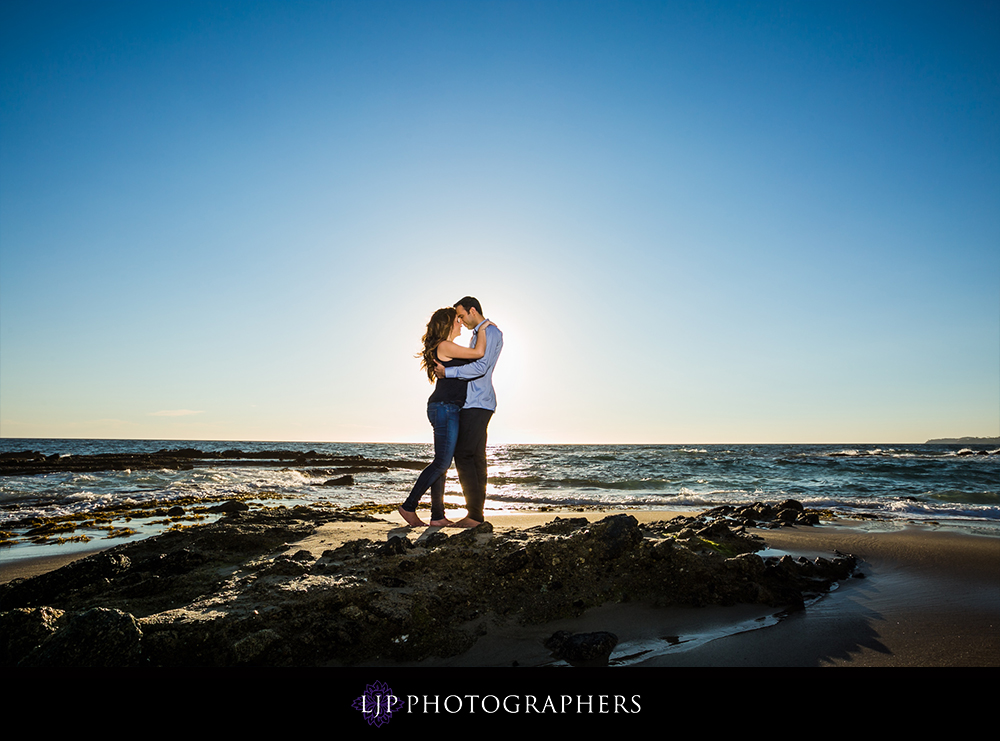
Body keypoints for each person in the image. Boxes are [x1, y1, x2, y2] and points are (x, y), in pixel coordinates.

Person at [398, 307, 494, 527]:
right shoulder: (445, 345)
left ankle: (437, 516)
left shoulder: (446, 346)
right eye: (457, 320)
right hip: (445, 408)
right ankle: (409, 506)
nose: (460, 323)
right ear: (448, 324)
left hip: (447, 408)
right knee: (441, 462)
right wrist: (482, 326)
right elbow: (479, 353)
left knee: (442, 461)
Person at [434, 296, 503, 528]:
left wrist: (448, 373)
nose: (461, 321)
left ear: (473, 310)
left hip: (479, 403)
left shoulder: (490, 332)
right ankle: (475, 515)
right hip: (472, 402)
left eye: (462, 316)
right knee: (475, 458)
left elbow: (481, 366)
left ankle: (474, 515)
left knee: (464, 455)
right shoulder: (479, 334)